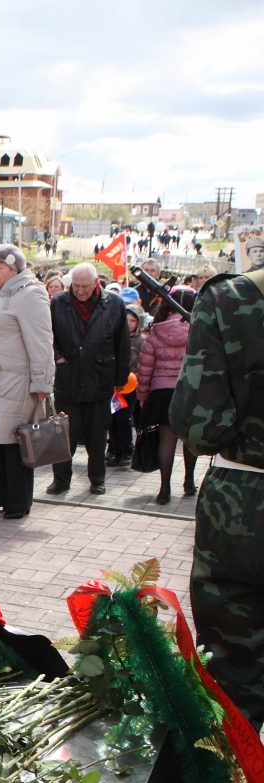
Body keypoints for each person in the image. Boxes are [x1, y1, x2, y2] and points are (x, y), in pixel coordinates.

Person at [169, 266, 264, 728]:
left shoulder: (230, 298)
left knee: (233, 680)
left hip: (245, 504)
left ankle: (236, 774)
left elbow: (202, 428)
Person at [0, 245, 54, 520]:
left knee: (15, 442)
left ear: (14, 269)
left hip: (16, 381)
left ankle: (18, 502)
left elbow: (41, 343)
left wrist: (42, 383)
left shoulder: (30, 294)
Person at [48, 262, 130, 496]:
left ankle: (97, 480)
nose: (80, 290)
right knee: (64, 435)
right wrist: (58, 358)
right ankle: (61, 480)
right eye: (76, 285)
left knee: (97, 436)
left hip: (100, 378)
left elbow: (122, 343)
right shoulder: (58, 303)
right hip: (67, 378)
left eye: (85, 286)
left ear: (96, 283)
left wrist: (121, 378)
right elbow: (48, 336)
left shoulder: (114, 303)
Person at [137, 287, 198, 504]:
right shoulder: (198, 328)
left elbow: (145, 367)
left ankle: (164, 489)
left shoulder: (156, 330)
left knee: (167, 438)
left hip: (162, 391)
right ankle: (189, 481)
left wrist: (143, 395)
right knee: (189, 438)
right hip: (190, 389)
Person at [105, 304, 145, 468]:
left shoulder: (142, 341)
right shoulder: (114, 337)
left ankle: (128, 451)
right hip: (114, 386)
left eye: (133, 320)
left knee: (124, 418)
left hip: (131, 387)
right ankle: (115, 450)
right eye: (126, 320)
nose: (128, 324)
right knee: (112, 419)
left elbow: (144, 364)